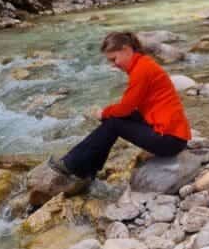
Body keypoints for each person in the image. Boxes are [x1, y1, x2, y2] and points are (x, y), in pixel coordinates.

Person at [48, 31, 191, 187]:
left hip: (169, 141)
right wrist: (108, 114)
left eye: (114, 59)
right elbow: (128, 108)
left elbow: (125, 108)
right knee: (114, 120)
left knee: (113, 122)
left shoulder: (142, 70)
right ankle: (87, 169)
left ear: (126, 50)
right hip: (173, 137)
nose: (113, 64)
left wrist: (103, 113)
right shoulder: (143, 64)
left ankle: (73, 165)